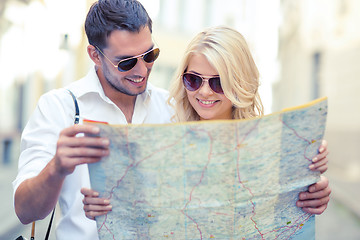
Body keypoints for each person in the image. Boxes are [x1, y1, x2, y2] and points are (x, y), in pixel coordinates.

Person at [81, 26, 330, 222]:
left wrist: (313, 189)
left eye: (218, 82)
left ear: (239, 83)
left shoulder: (273, 145)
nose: (204, 92)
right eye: (193, 80)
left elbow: (291, 206)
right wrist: (106, 207)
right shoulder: (162, 144)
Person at [12, 0, 172, 239]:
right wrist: (56, 168)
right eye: (126, 62)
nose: (141, 70)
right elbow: (25, 212)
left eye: (150, 55)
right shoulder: (58, 107)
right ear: (95, 55)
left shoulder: (171, 106)